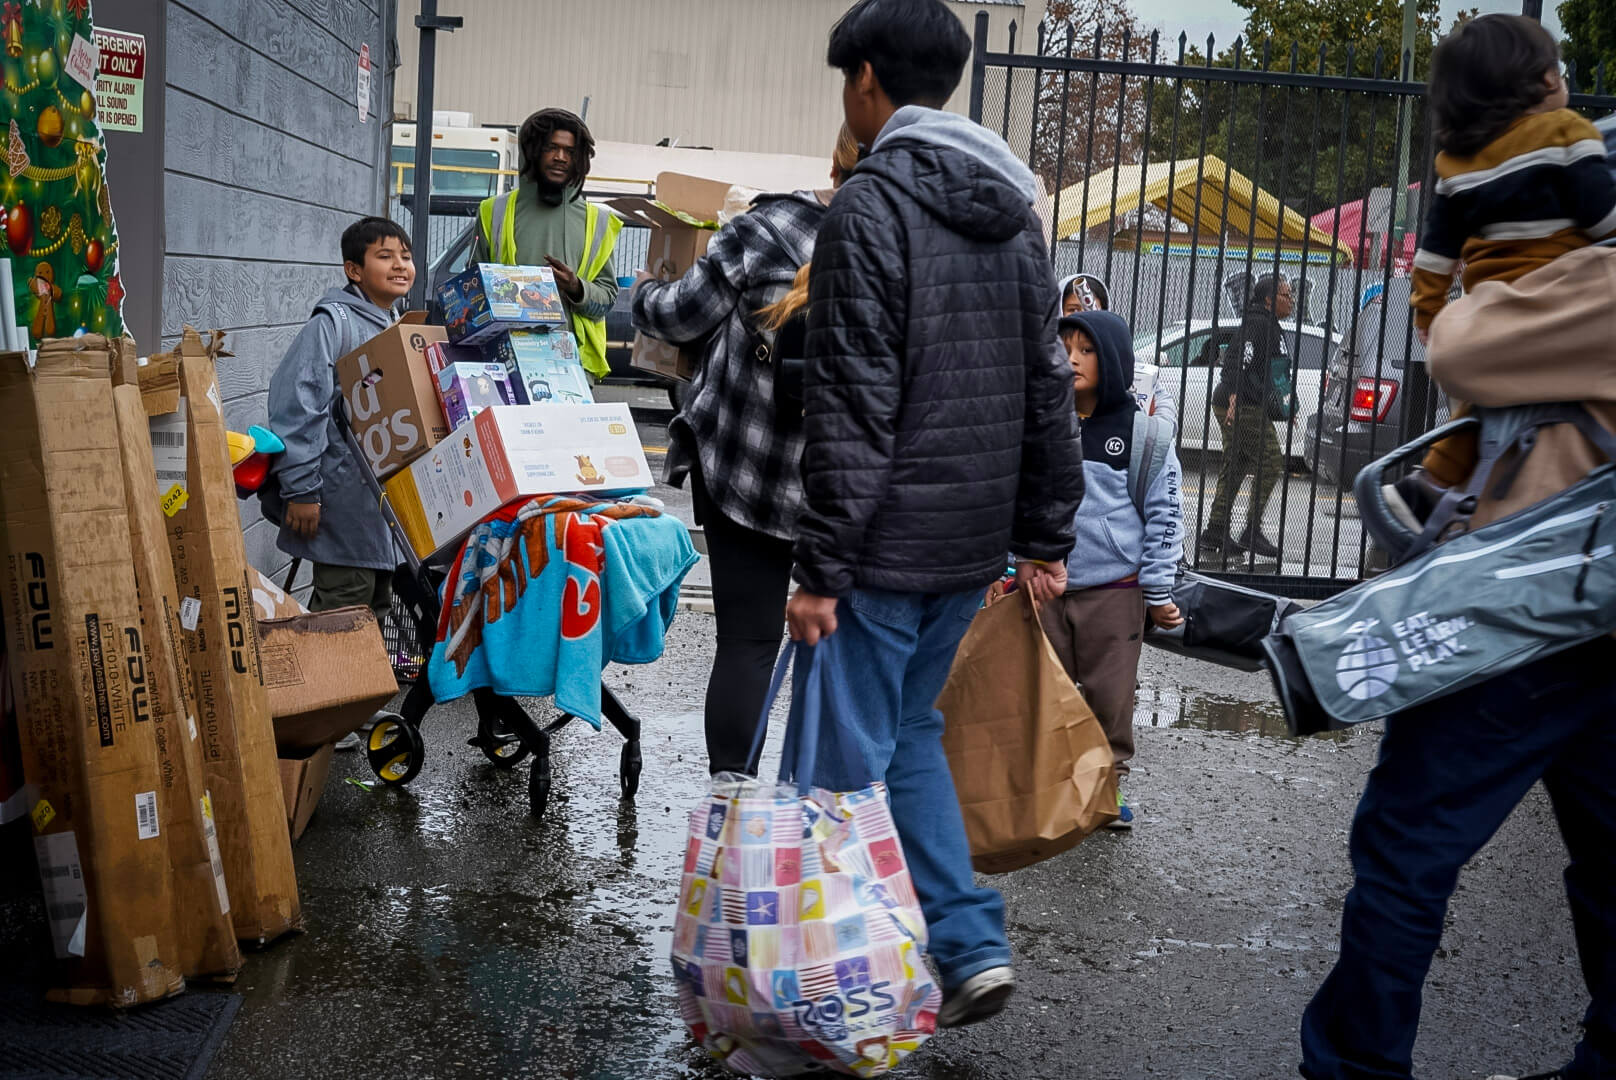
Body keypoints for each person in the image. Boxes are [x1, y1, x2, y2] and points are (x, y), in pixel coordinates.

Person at [785, 0, 1084, 1029]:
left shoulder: (869, 206)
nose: (846, 102)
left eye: (845, 83)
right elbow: (1047, 383)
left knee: (834, 767)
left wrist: (820, 568)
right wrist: (1044, 532)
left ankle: (824, 992)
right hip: (965, 544)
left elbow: (854, 400)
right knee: (905, 733)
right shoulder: (1007, 210)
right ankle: (964, 945)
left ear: (865, 78)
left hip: (878, 548)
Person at [1302, 253, 1616, 1080]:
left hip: (1525, 613)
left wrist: (1523, 272)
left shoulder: (1597, 280)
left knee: (1407, 849)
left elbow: (1455, 345)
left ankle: (1357, 1066)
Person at [630, 127, 861, 777]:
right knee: (843, 649)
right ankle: (826, 808)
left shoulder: (770, 224)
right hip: (850, 492)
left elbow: (679, 317)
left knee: (748, 643)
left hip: (745, 473)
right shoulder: (910, 247)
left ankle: (733, 808)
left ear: (835, 159)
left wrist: (646, 288)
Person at [1397, 14, 1616, 524]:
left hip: (1492, 299)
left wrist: (1428, 311)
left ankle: (1431, 480)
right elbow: (1602, 216)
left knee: (1482, 405)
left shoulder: (1456, 165)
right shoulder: (1568, 132)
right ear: (1547, 78)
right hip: (1566, 281)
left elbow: (1433, 255)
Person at [263, 218, 413, 745]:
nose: (400, 265)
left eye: (405, 255)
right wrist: (301, 489)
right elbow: (295, 405)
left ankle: (352, 705)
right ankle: (322, 718)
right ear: (353, 270)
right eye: (384, 256)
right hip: (337, 497)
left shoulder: (394, 325)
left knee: (371, 604)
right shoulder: (334, 324)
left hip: (377, 506)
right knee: (341, 606)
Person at [1042, 310, 1183, 830]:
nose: (1072, 358)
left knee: (1109, 696)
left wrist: (1157, 588)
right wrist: (1008, 567)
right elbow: (1019, 499)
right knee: (1046, 692)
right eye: (1064, 348)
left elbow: (1166, 513)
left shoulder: (1142, 433)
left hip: (1114, 591)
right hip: (1045, 587)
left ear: (1116, 359)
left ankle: (1106, 786)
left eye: (1086, 349)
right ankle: (1055, 789)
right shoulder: (1043, 421)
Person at [471, 108, 622, 380]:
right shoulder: (493, 212)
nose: (561, 157)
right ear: (532, 151)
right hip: (505, 365)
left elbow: (607, 298)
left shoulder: (597, 221)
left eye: (570, 151)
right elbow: (471, 291)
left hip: (572, 370)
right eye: (551, 147)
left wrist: (576, 288)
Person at [1202, 274, 1292, 561]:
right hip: (1241, 403)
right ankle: (1251, 531)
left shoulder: (1267, 324)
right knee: (1271, 460)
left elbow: (1270, 370)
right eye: (1285, 295)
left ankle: (1216, 530)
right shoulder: (1258, 323)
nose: (1290, 301)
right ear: (1269, 300)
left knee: (1238, 462)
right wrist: (1234, 395)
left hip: (1245, 401)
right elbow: (1239, 358)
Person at [1058, 272, 1178, 430]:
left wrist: (1152, 433)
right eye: (1073, 310)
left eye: (1087, 350)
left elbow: (1163, 404)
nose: (1083, 317)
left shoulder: (1123, 361)